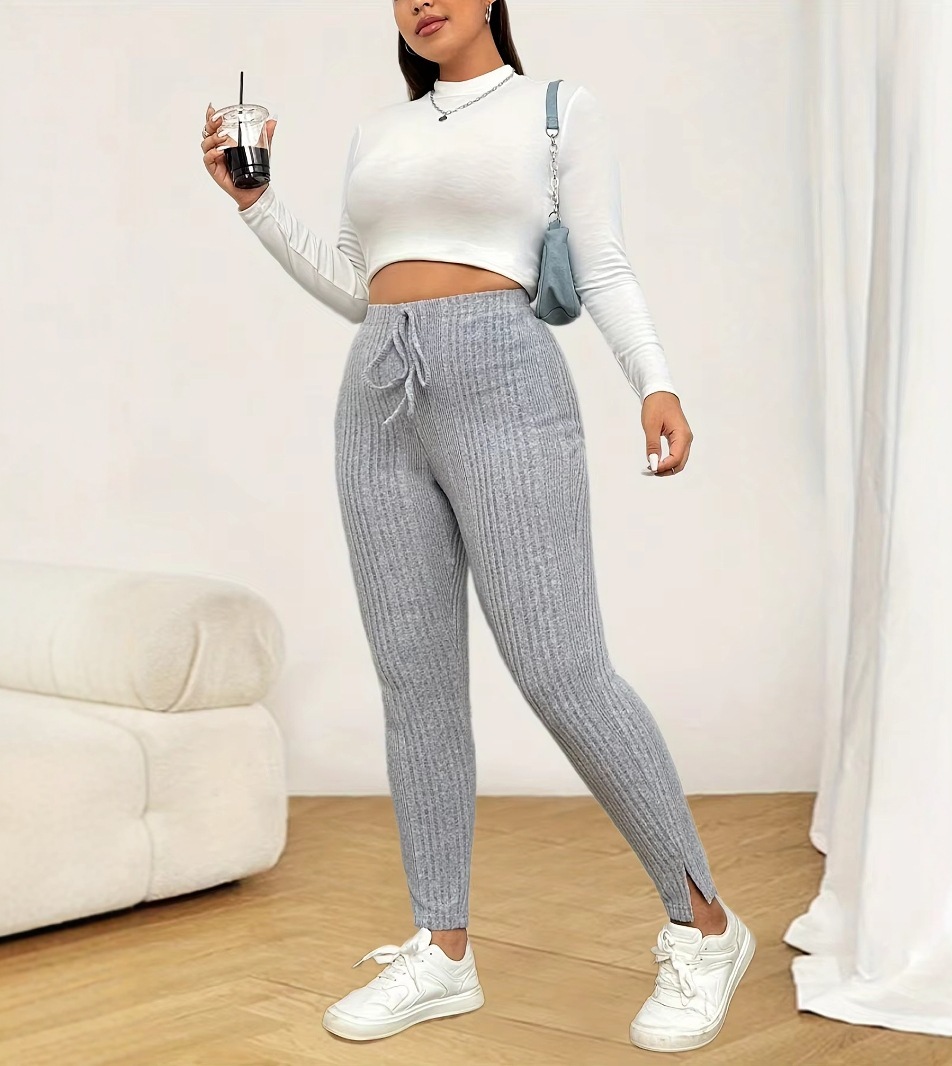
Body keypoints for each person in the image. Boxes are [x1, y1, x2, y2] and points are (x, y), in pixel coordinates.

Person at [201, 0, 754, 1053]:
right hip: (378, 394)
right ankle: (442, 947)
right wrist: (257, 205)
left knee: (561, 669)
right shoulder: (379, 131)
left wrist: (654, 380)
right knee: (413, 679)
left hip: (506, 382)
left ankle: (705, 926)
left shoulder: (556, 109)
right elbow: (357, 287)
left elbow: (602, 265)